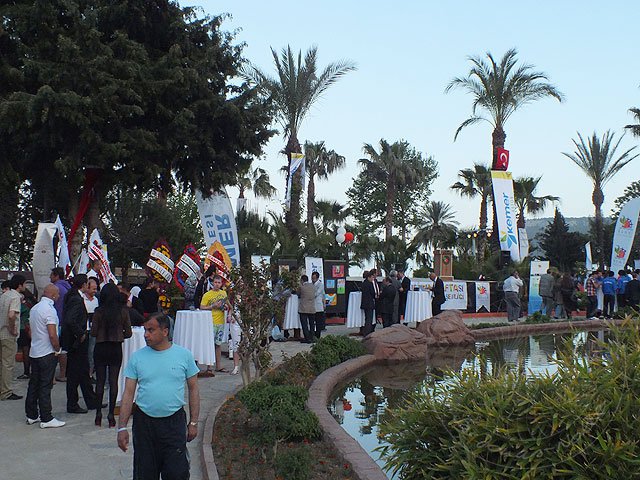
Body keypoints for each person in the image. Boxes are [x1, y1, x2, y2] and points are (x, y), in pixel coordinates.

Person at [117, 313, 200, 480]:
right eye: (145, 330)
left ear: (165, 331)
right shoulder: (137, 357)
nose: (146, 334)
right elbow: (128, 393)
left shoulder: (184, 355)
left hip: (174, 423)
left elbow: (194, 389)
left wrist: (193, 422)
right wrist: (122, 427)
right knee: (145, 473)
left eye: (151, 330)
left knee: (177, 473)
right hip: (144, 424)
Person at [91, 283, 132, 427]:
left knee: (100, 381)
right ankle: (111, 415)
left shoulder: (98, 312)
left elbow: (94, 332)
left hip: (101, 347)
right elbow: (129, 333)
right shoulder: (122, 311)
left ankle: (98, 414)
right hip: (115, 347)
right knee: (113, 381)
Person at [24, 284, 65, 428]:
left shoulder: (35, 308)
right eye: (58, 294)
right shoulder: (50, 310)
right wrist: (57, 349)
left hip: (34, 351)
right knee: (45, 385)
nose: (59, 296)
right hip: (47, 352)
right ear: (53, 295)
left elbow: (30, 331)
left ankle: (31, 414)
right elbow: (52, 334)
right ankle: (46, 417)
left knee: (34, 384)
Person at [61, 274, 99, 413]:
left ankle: (91, 400)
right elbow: (70, 320)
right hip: (77, 341)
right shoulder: (76, 299)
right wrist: (80, 333)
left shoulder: (72, 295)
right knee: (74, 373)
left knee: (83, 371)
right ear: (83, 285)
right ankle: (72, 403)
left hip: (78, 339)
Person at [0, 274, 26, 400]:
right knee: (8, 364)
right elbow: (11, 315)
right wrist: (12, 329)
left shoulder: (4, 295)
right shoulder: (16, 297)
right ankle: (6, 392)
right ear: (20, 285)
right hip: (9, 334)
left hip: (1, 332)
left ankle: (2, 389)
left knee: (2, 363)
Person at [200, 275, 229, 374]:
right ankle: (209, 367)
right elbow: (202, 307)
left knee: (218, 344)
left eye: (219, 283)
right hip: (211, 322)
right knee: (210, 345)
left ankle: (218, 366)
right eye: (215, 282)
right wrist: (212, 306)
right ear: (212, 283)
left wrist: (225, 307)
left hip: (220, 322)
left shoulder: (223, 293)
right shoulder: (207, 294)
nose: (217, 284)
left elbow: (228, 305)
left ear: (221, 284)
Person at [50, 267, 70, 382]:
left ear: (56, 275)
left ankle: (51, 375)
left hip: (56, 321)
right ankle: (63, 373)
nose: (49, 277)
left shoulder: (56, 288)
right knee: (63, 350)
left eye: (51, 275)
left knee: (53, 348)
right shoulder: (68, 287)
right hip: (65, 322)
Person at [17, 288, 37, 379]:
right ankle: (34, 371)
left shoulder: (23, 304)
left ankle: (26, 372)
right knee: (31, 349)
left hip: (23, 328)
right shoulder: (33, 302)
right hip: (32, 327)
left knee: (25, 349)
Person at [83, 277, 99, 381]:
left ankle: (90, 373)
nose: (95, 291)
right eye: (93, 289)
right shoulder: (82, 299)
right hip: (84, 329)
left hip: (93, 330)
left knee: (92, 352)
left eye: (96, 289)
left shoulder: (96, 300)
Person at [297, 275, 316, 343]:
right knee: (312, 324)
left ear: (302, 280)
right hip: (312, 308)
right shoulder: (313, 286)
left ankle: (307, 338)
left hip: (303, 308)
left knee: (304, 324)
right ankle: (312, 337)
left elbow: (298, 294)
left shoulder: (301, 287)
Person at [360, 270, 377, 336]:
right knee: (369, 319)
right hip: (370, 303)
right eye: (372, 278)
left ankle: (365, 331)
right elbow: (372, 292)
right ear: (369, 277)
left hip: (364, 303)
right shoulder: (370, 284)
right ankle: (368, 332)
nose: (373, 279)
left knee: (366, 318)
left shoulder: (363, 283)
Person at [311, 271, 326, 339]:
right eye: (312, 278)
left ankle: (318, 335)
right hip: (311, 306)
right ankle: (312, 334)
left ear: (317, 278)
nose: (312, 279)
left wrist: (324, 304)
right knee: (312, 321)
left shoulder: (320, 285)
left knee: (318, 322)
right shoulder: (311, 284)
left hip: (318, 306)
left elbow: (318, 294)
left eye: (314, 278)